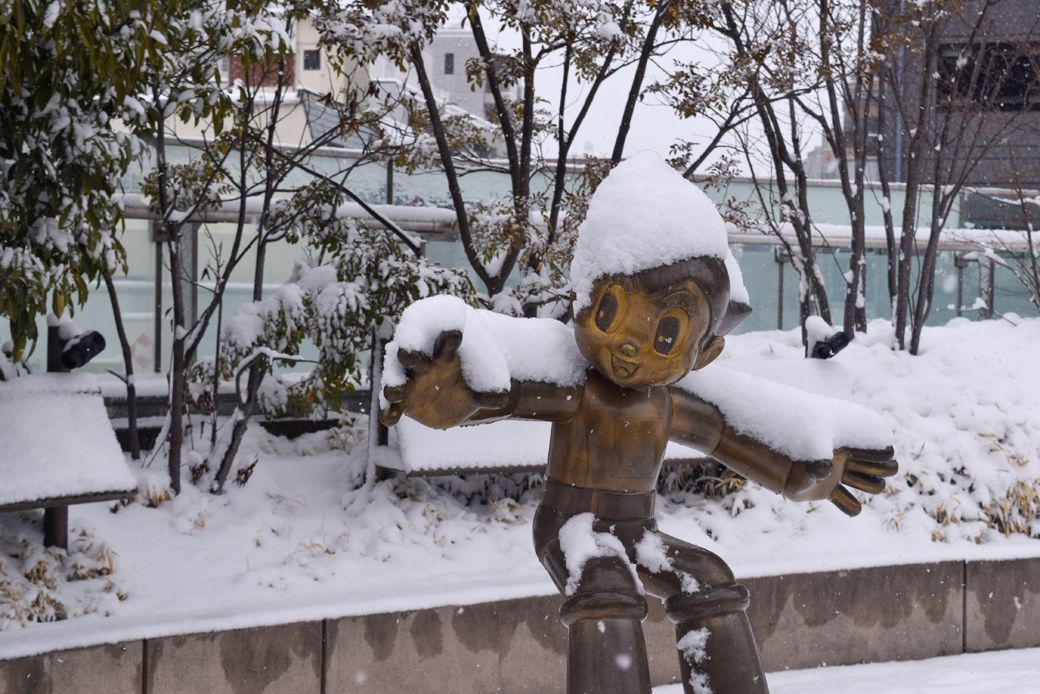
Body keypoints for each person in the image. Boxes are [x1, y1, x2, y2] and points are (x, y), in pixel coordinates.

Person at [380, 153, 896, 694]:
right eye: (610, 314)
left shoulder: (670, 399)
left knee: (708, 578)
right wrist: (448, 385)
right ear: (583, 299)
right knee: (605, 589)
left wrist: (805, 466)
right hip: (570, 525)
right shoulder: (574, 380)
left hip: (638, 530)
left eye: (667, 336)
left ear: (705, 351)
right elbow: (501, 373)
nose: (630, 345)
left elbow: (741, 428)